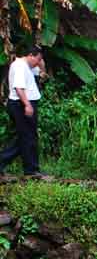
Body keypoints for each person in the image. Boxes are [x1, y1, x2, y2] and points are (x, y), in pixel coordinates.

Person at [0, 46, 46, 178]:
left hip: (24, 104)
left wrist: (40, 60)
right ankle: (31, 170)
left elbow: (42, 72)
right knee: (27, 137)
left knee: (27, 137)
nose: (38, 63)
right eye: (37, 59)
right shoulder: (20, 66)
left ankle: (31, 169)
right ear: (30, 55)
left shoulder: (27, 66)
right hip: (21, 104)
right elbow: (19, 88)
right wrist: (27, 105)